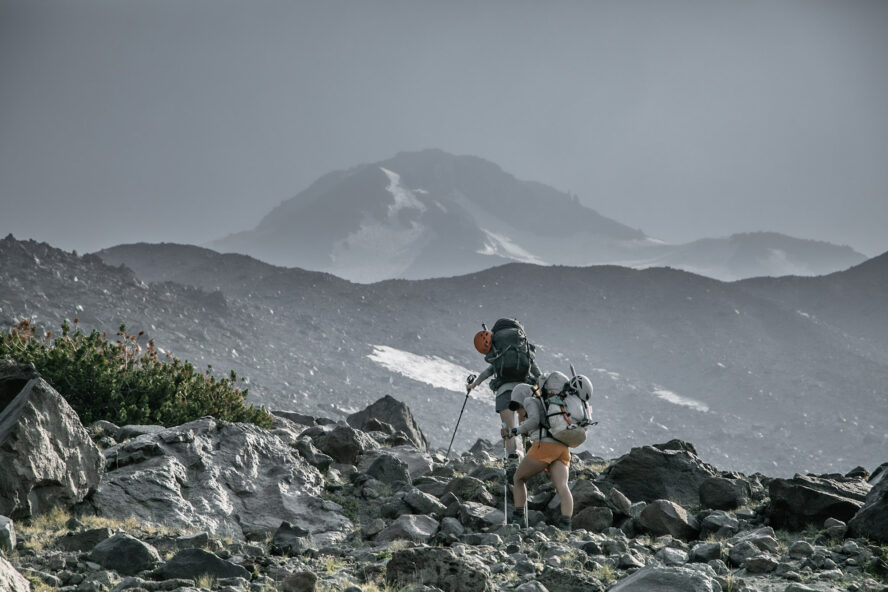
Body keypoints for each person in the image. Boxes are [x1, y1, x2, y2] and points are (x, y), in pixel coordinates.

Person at [504, 372, 574, 531]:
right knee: (562, 486)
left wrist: (515, 431)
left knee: (518, 478)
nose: (518, 412)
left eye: (518, 407)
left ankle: (518, 520)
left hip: (545, 447)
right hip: (562, 448)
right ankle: (566, 526)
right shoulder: (547, 405)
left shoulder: (530, 400)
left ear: (522, 398)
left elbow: (534, 420)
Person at [467, 319, 541, 467]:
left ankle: (512, 459)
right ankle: (530, 457)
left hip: (504, 392)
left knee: (508, 428)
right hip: (524, 391)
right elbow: (537, 373)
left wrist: (474, 384)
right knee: (525, 425)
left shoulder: (498, 352)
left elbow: (489, 371)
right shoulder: (523, 350)